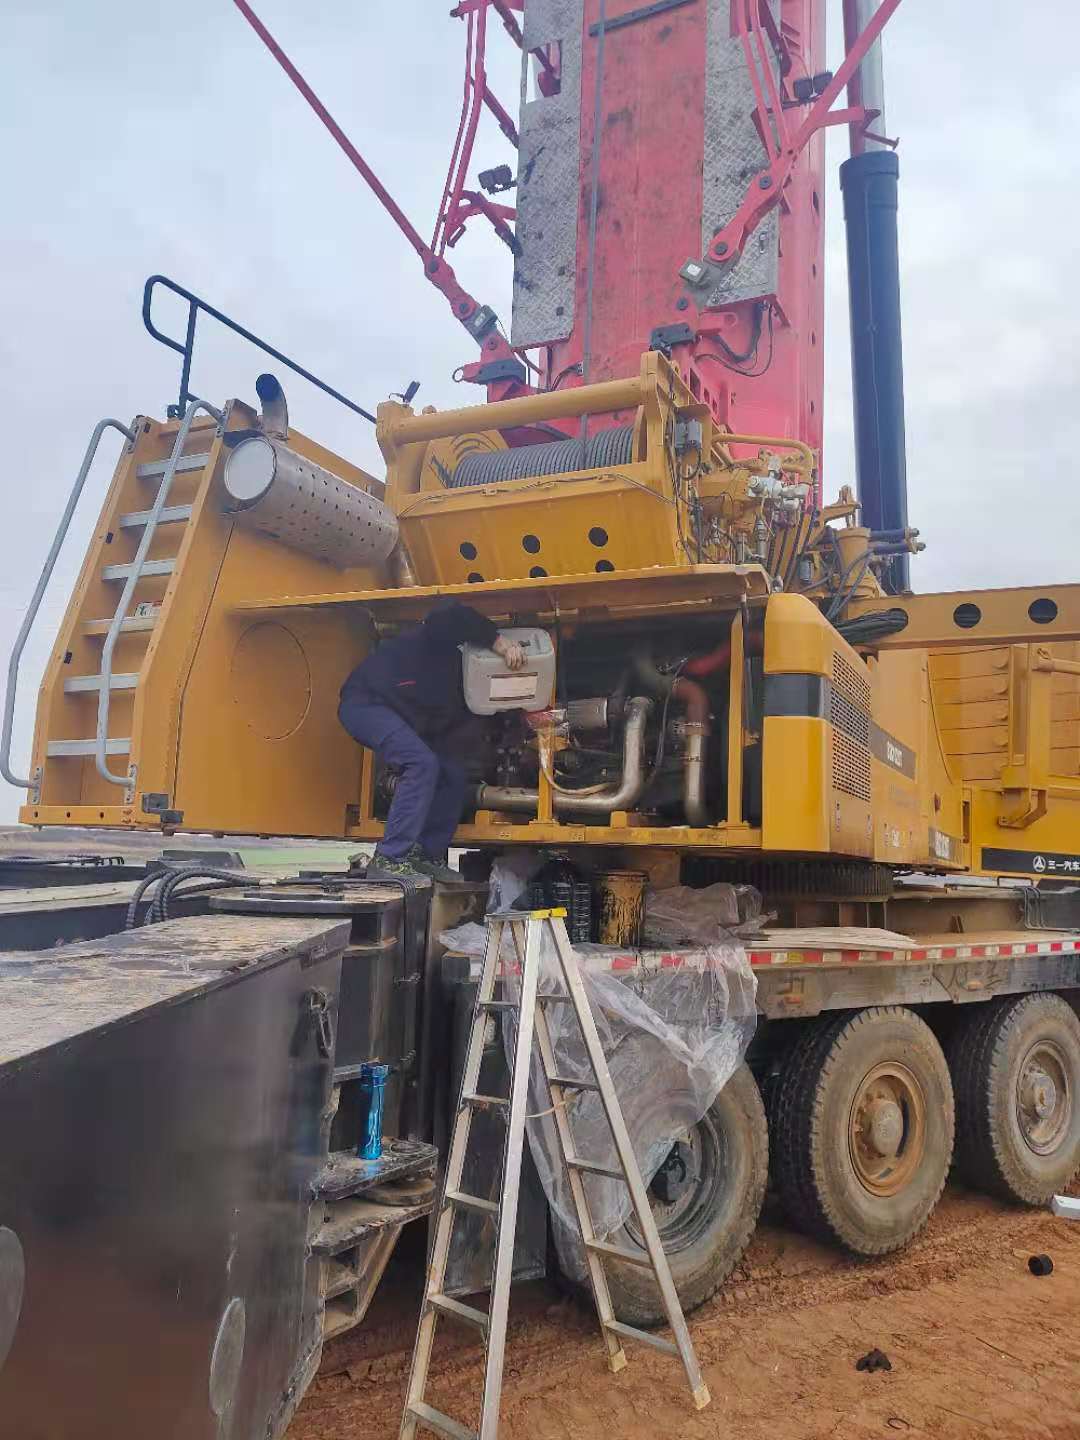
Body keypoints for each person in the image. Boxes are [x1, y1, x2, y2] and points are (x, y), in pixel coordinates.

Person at [339, 602, 525, 882]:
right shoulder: (433, 642)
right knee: (420, 763)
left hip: (404, 713)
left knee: (453, 774)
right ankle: (389, 857)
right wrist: (499, 641)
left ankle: (426, 855)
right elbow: (449, 614)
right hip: (366, 704)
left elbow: (451, 727)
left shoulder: (460, 687)